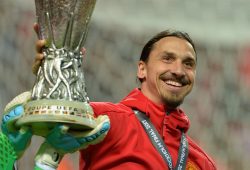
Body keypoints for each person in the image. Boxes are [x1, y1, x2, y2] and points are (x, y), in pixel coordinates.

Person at [3, 28, 217, 170]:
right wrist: (53, 69)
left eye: (188, 64)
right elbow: (58, 107)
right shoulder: (107, 120)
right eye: (167, 59)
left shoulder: (200, 161)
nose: (179, 70)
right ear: (141, 69)